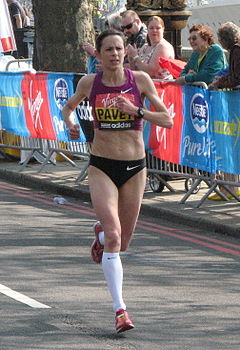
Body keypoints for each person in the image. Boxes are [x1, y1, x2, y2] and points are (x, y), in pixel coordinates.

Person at [62, 29, 173, 333]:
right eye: (108, 49)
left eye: (118, 49)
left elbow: (168, 120)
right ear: (98, 54)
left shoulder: (140, 81)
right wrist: (71, 123)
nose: (114, 53)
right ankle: (120, 310)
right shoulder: (90, 83)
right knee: (115, 236)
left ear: (126, 52)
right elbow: (68, 107)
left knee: (121, 243)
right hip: (102, 166)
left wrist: (137, 110)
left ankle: (100, 238)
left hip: (135, 168)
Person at [207, 22, 240, 200]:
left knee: (232, 143)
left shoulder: (236, 50)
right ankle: (232, 186)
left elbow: (236, 77)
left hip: (236, 101)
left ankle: (231, 188)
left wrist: (219, 82)